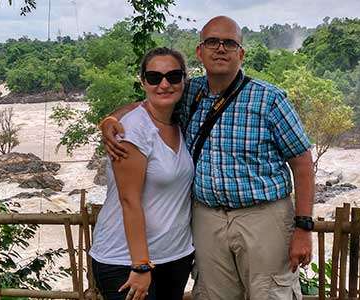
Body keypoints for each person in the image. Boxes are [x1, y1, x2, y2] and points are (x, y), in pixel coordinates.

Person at [101, 16, 315, 300]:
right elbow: (148, 104)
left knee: (270, 293)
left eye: (229, 43)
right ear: (199, 52)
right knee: (213, 294)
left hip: (263, 217)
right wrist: (111, 118)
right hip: (207, 218)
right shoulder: (188, 92)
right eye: (212, 42)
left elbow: (302, 163)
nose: (220, 48)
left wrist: (303, 227)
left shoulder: (269, 99)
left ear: (241, 53)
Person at [89, 47, 195, 300]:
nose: (164, 84)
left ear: (184, 79)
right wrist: (141, 265)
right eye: (154, 78)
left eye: (173, 76)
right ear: (143, 81)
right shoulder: (133, 130)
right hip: (126, 261)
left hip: (174, 256)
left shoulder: (180, 122)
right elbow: (129, 200)